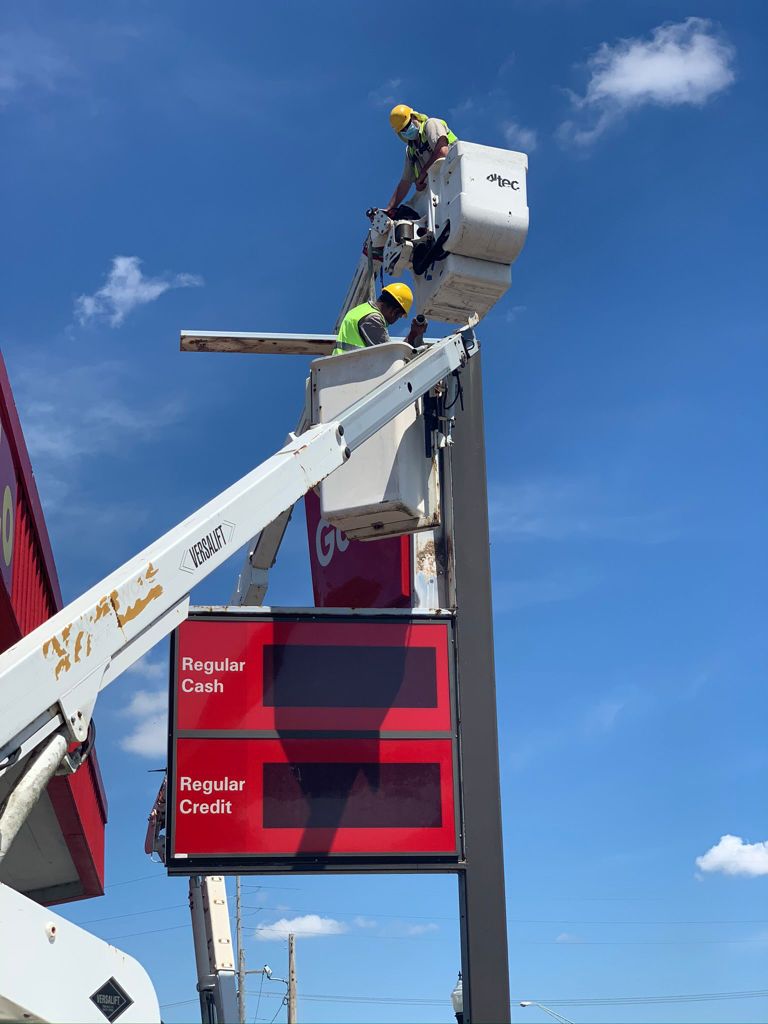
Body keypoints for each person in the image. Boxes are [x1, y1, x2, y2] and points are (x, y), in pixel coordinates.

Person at [385, 105, 458, 214]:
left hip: (455, 174)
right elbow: (405, 182)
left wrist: (423, 174)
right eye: (402, 130)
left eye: (407, 126)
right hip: (439, 191)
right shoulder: (411, 150)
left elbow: (443, 151)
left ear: (414, 117)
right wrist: (388, 210)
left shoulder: (431, 124)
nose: (406, 131)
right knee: (405, 214)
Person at [331, 283, 427, 356]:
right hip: (352, 373)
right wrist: (413, 335)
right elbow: (391, 358)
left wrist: (413, 333)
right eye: (400, 316)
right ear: (394, 312)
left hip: (343, 370)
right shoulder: (373, 319)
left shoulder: (362, 310)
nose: (396, 320)